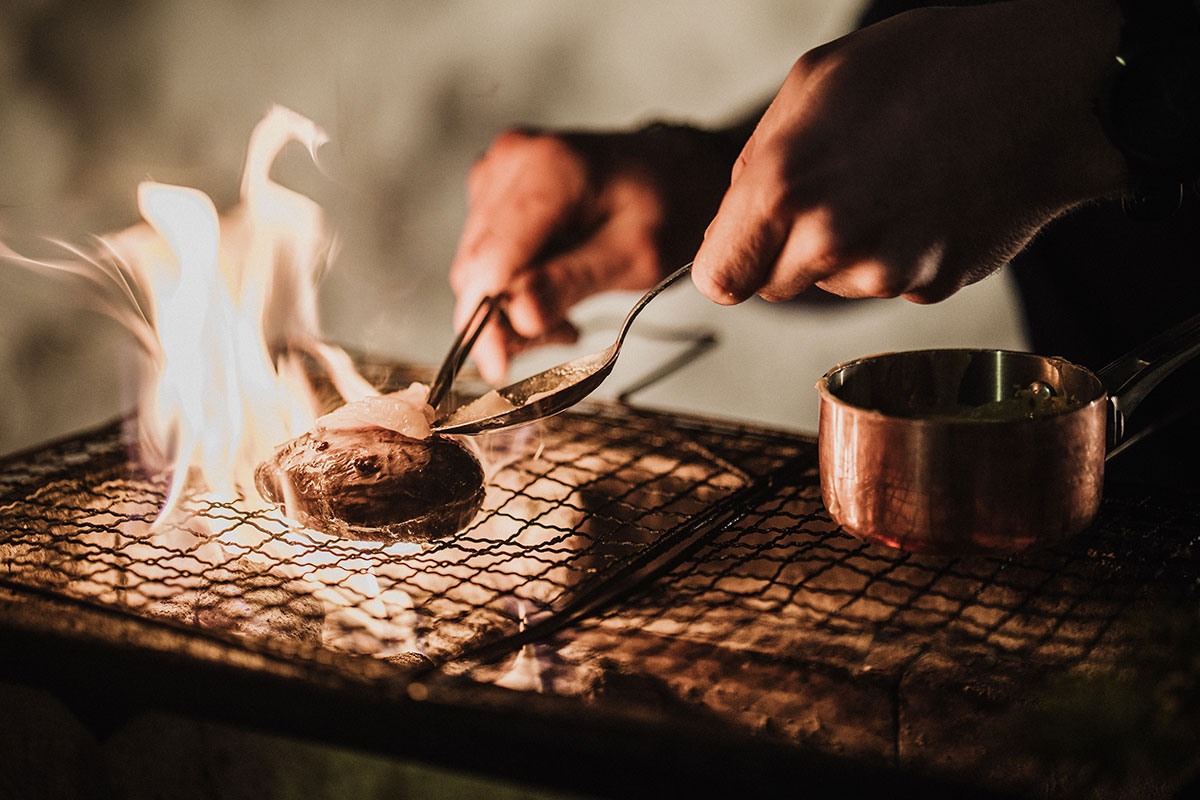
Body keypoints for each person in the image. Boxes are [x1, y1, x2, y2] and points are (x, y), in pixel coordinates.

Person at [448, 0, 1200, 485]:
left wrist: (1090, 94)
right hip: (1121, 500)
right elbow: (910, 121)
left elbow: (985, 100)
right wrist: (703, 176)